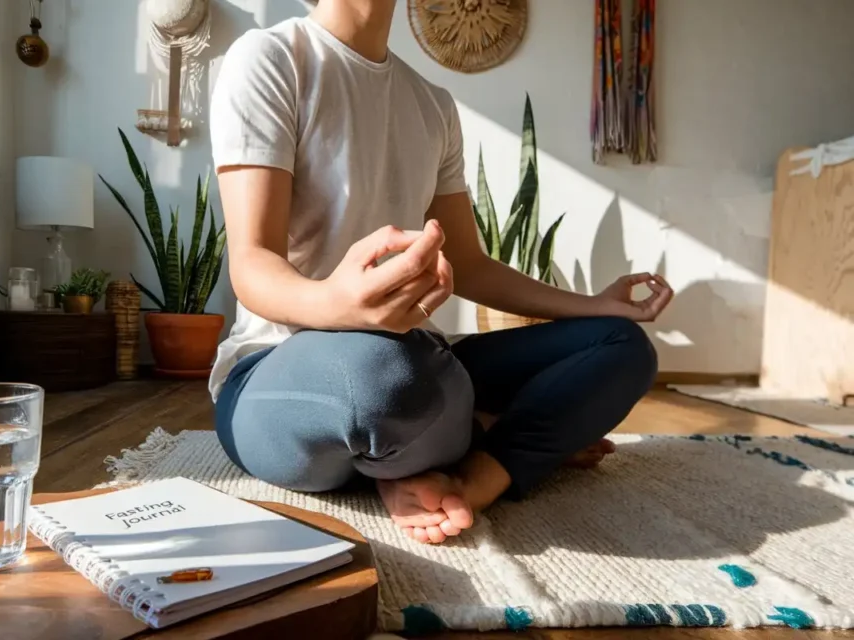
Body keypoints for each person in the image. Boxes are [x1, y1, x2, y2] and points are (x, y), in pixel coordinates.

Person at [208, 0, 674, 545]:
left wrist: (597, 304)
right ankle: (474, 433)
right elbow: (252, 264)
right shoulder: (270, 59)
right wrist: (341, 306)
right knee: (386, 380)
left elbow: (470, 265)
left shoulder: (432, 104)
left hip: (418, 360)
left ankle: (480, 474)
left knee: (622, 346)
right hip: (284, 366)